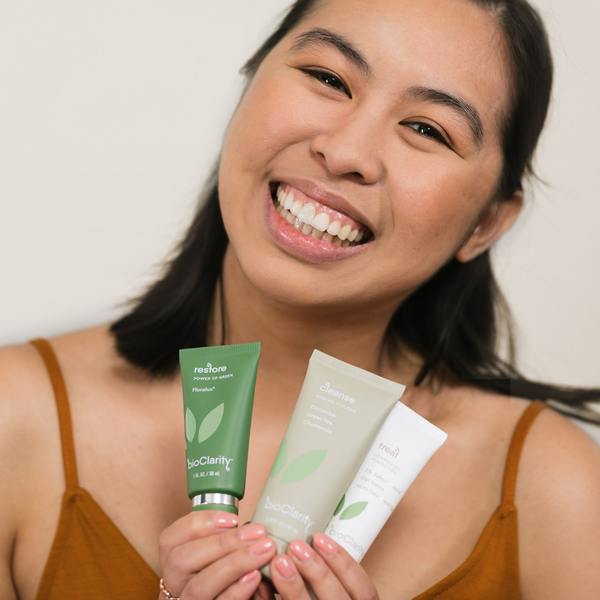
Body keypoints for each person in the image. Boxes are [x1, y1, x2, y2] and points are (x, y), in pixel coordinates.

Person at [2, 0, 600, 598]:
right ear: (250, 79)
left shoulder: (557, 491)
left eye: (426, 129)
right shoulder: (15, 415)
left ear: (486, 224)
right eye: (328, 78)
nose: (345, 153)